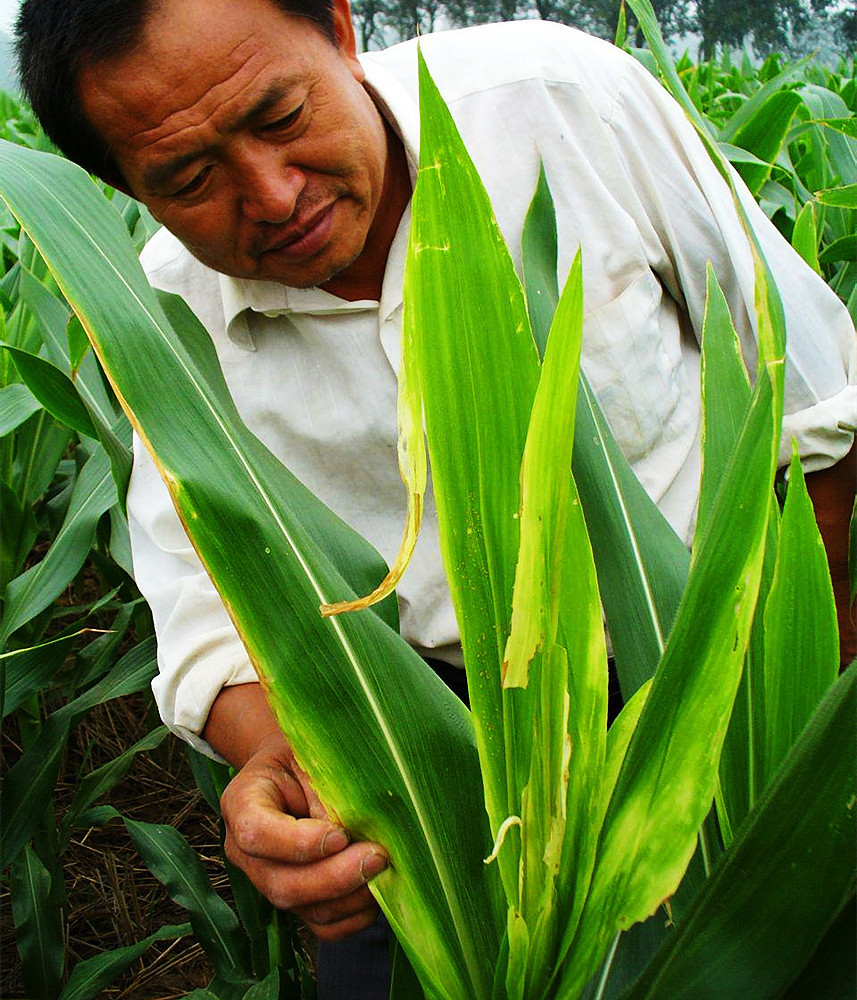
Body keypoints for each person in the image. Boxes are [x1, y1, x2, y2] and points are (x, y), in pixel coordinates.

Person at [16, 0, 857, 995]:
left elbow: (812, 404)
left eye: (280, 116)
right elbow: (208, 615)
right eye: (191, 180)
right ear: (123, 189)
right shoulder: (165, 320)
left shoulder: (558, 106)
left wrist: (810, 722)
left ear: (338, 27)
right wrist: (287, 781)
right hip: (425, 757)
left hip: (714, 667)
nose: (274, 194)